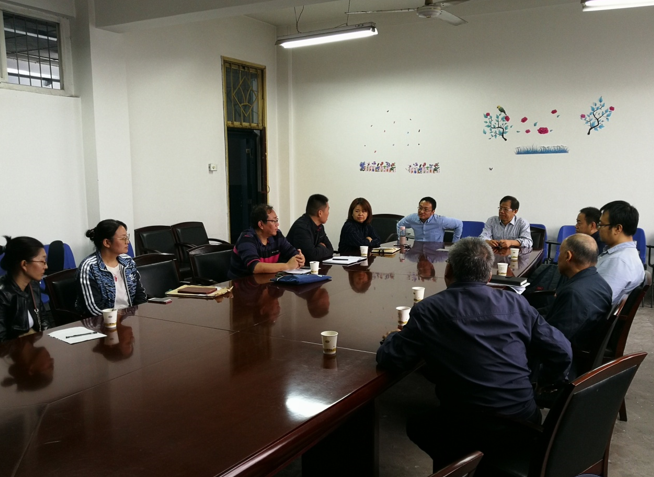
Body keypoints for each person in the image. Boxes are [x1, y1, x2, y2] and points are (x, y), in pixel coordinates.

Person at [376, 237, 571, 471]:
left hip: (467, 425)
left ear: (448, 270)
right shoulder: (515, 302)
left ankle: (455, 468)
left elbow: (392, 358)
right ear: (488, 275)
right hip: (524, 421)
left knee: (418, 426)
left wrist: (392, 338)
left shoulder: (429, 309)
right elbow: (561, 349)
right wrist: (546, 382)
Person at [543, 234, 612, 350]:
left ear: (568, 256)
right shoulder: (601, 283)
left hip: (566, 352)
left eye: (560, 253)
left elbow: (552, 340)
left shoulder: (573, 294)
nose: (558, 258)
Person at [76, 220, 147, 317]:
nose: (127, 242)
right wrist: (119, 317)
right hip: (103, 321)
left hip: (130, 317)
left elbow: (140, 294)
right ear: (107, 242)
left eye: (127, 237)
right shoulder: (89, 267)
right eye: (123, 238)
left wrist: (140, 315)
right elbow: (94, 308)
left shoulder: (128, 261)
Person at [228, 204, 305, 279]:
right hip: (241, 284)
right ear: (261, 224)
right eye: (274, 221)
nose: (277, 224)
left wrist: (300, 259)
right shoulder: (246, 239)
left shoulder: (277, 236)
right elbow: (255, 267)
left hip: (266, 281)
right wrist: (287, 266)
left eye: (277, 220)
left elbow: (292, 252)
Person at [0, 236, 54, 342]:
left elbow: (44, 321)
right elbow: (2, 341)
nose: (46, 266)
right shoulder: (3, 294)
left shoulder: (33, 286)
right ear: (24, 264)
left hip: (33, 346)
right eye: (42, 261)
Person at [596, 200, 645, 305]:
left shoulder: (618, 261)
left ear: (617, 228)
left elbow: (596, 300)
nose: (598, 229)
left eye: (601, 224)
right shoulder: (625, 255)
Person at [286, 194, 334, 262]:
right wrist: (321, 247)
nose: (328, 213)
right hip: (293, 267)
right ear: (320, 213)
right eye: (327, 210)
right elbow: (311, 256)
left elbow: (330, 249)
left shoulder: (320, 226)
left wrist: (317, 249)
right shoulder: (301, 227)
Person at [396, 197, 463, 242]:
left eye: (426, 209)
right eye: (420, 208)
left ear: (433, 212)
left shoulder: (440, 220)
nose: (422, 211)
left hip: (435, 252)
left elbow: (459, 224)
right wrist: (402, 240)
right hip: (417, 251)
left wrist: (455, 244)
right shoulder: (412, 218)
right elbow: (400, 225)